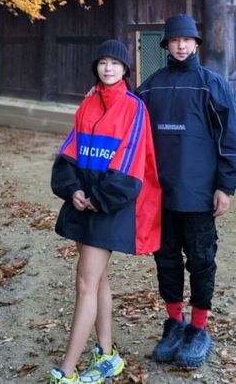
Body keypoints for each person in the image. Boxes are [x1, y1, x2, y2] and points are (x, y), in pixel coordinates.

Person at [49, 39, 162, 384]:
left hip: (108, 206)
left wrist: (96, 197)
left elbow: (130, 165)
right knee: (96, 280)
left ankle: (65, 371)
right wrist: (74, 190)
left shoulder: (133, 107)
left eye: (115, 63)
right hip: (83, 200)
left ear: (126, 69)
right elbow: (69, 151)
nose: (108, 68)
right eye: (103, 62)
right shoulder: (87, 105)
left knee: (84, 282)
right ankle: (108, 354)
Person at [136, 14, 236, 370]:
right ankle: (174, 323)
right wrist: (99, 91)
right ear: (165, 45)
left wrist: (225, 186)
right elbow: (127, 121)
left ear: (196, 44)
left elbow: (229, 140)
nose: (181, 45)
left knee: (200, 259)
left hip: (198, 194)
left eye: (187, 39)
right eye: (175, 40)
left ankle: (198, 328)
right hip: (159, 194)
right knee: (165, 260)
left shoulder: (212, 85)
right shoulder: (150, 87)